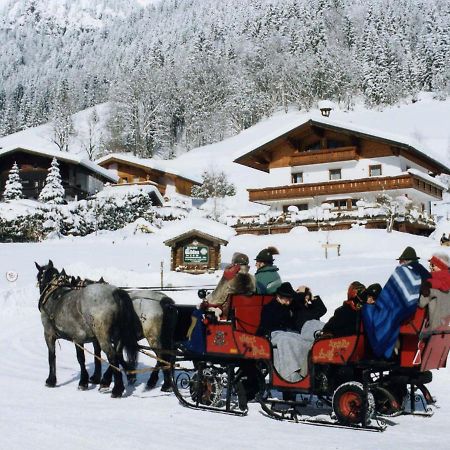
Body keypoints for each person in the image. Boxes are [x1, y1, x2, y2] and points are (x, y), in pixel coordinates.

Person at [362, 246, 430, 359]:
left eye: (401, 261)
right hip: (417, 312)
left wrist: (379, 303)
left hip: (408, 315)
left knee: (369, 311)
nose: (399, 263)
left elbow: (390, 294)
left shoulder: (403, 271)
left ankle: (377, 347)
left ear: (405, 260)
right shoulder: (424, 271)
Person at [419, 253, 450, 330]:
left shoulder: (430, 287)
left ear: (441, 266)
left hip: (435, 330)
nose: (430, 267)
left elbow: (421, 303)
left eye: (433, 265)